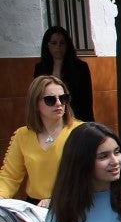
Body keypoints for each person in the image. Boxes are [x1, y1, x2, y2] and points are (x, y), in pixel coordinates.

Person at [1, 76, 83, 205]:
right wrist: (1, 197)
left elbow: (88, 177)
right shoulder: (22, 135)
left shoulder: (81, 132)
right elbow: (9, 177)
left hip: (71, 204)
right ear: (35, 104)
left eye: (63, 98)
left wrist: (57, 200)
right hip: (34, 206)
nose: (59, 103)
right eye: (50, 99)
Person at [34, 26, 94, 124]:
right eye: (54, 43)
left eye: (62, 43)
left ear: (67, 45)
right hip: (49, 118)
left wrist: (86, 124)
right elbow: (37, 96)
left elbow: (86, 100)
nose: (58, 47)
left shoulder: (80, 67)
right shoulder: (40, 68)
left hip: (75, 116)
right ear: (47, 45)